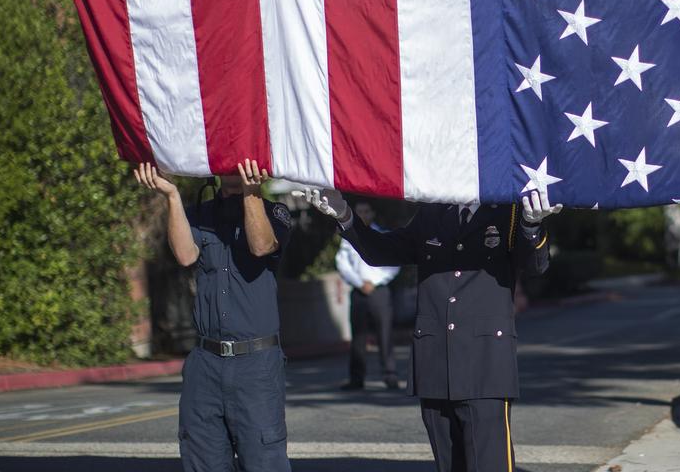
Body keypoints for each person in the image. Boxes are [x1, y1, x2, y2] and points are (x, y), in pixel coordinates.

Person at [300, 187, 560, 472]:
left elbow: (535, 265)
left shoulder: (508, 211)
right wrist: (345, 216)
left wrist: (531, 225)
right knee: (448, 465)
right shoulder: (433, 212)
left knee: (490, 465)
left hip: (485, 363)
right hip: (435, 360)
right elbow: (380, 251)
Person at [135, 159, 293, 472]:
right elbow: (184, 255)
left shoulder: (276, 213)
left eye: (241, 160)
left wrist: (252, 192)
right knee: (202, 456)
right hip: (205, 363)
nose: (234, 166)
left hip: (256, 363)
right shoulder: (200, 214)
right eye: (226, 159)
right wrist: (172, 196)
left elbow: (261, 246)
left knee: (264, 460)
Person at [335, 200, 401, 391]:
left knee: (385, 333)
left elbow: (393, 263)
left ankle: (390, 375)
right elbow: (343, 264)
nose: (362, 214)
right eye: (359, 211)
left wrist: (375, 282)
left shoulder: (382, 234)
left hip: (378, 290)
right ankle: (357, 378)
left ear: (372, 213)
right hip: (359, 290)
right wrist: (359, 283)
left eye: (366, 211)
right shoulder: (349, 237)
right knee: (358, 337)